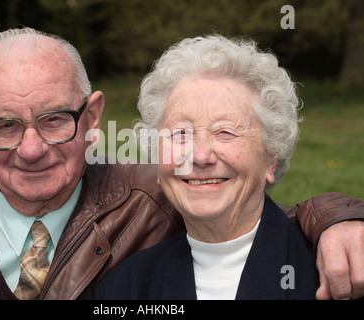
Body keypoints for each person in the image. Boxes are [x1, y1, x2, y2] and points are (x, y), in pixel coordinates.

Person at [0, 28, 362, 300]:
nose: (31, 149)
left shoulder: (148, 201)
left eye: (54, 120)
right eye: (6, 126)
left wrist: (342, 220)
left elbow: (252, 216)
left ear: (91, 119)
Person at [94, 34, 364, 300]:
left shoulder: (336, 271)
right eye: (180, 134)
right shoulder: (125, 287)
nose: (200, 156)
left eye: (225, 132)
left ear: (272, 158)